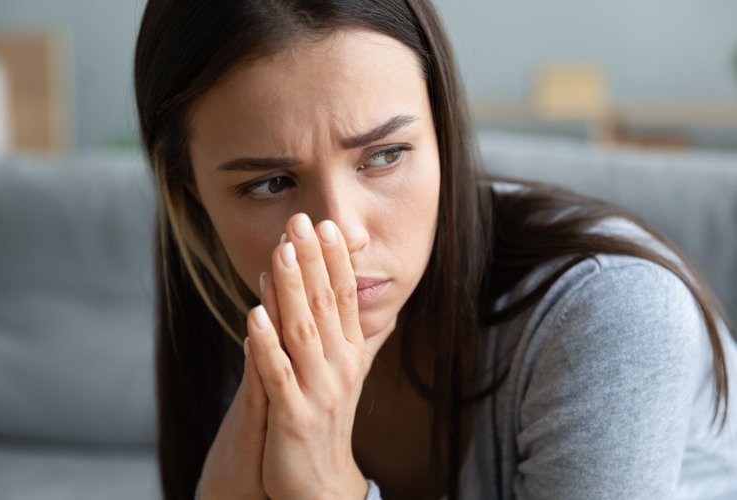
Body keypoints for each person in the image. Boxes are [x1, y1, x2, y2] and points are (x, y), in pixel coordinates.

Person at [133, 1, 737, 499]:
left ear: (442, 132)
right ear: (194, 201)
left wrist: (326, 489)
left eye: (385, 154)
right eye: (268, 185)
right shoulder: (236, 307)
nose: (340, 233)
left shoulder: (613, 313)